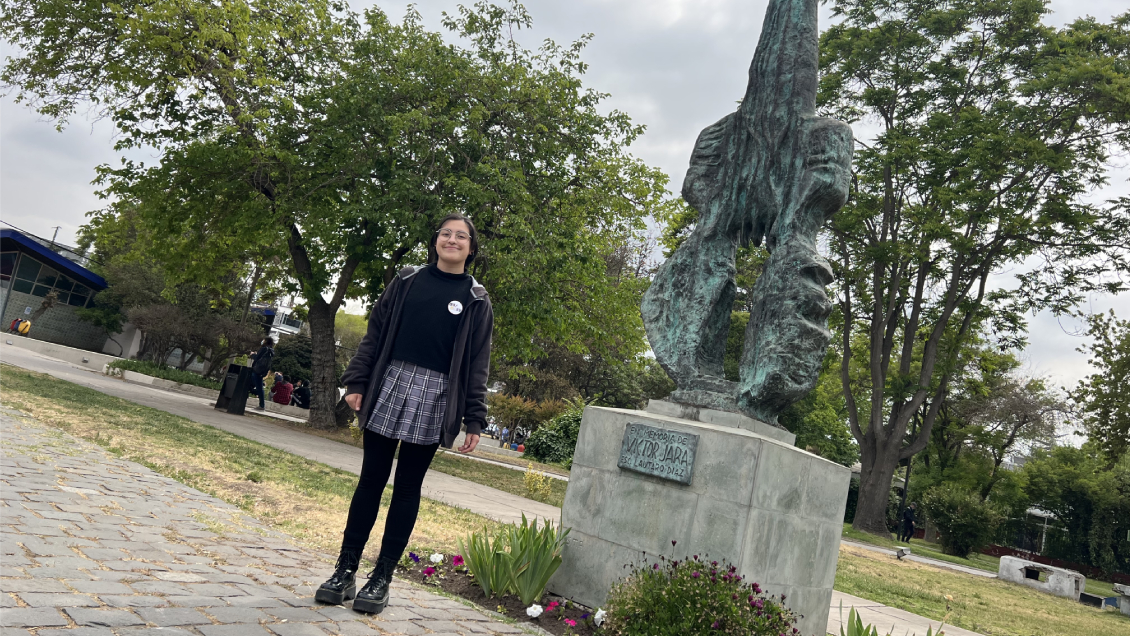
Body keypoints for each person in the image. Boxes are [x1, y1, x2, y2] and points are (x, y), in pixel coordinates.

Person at [316, 214, 492, 615]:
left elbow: (477, 364)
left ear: (471, 248)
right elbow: (374, 333)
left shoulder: (477, 300)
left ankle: (382, 578)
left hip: (436, 397)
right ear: (435, 241)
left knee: (407, 487)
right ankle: (345, 570)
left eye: (461, 236)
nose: (452, 239)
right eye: (446, 233)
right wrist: (357, 381)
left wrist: (474, 418)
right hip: (390, 382)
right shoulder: (408, 280)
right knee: (371, 480)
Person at [248, 337, 275, 410]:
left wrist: (252, 354)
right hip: (262, 371)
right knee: (258, 386)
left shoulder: (264, 349)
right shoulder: (270, 350)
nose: (262, 341)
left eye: (264, 340)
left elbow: (257, 358)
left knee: (252, 384)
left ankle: (261, 404)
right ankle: (261, 404)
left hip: (256, 370)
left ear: (266, 341)